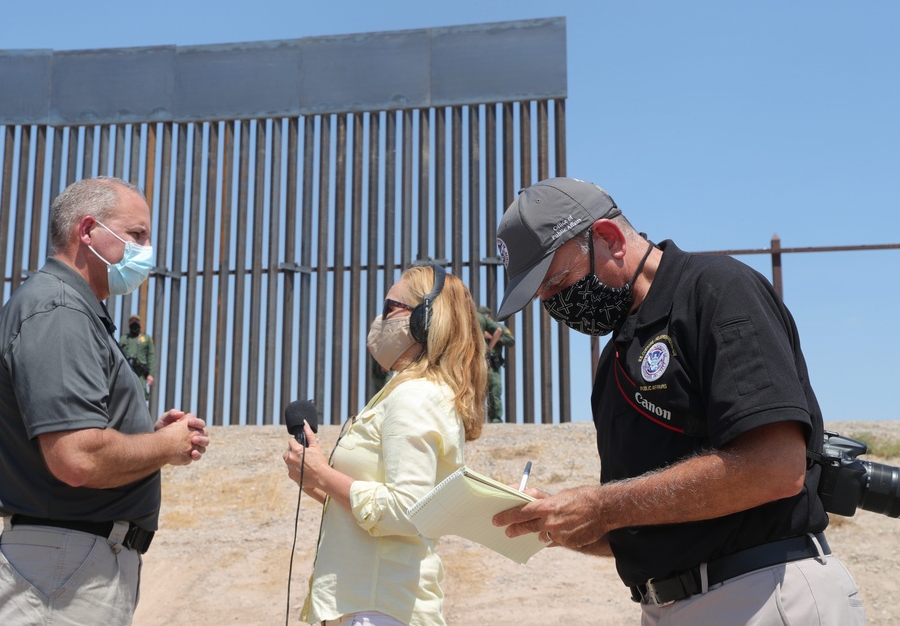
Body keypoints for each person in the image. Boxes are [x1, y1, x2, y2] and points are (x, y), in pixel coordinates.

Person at [490, 177, 865, 625]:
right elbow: (644, 518)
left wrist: (603, 505)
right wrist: (563, 522)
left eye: (556, 282)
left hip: (763, 593)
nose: (553, 304)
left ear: (608, 239)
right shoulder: (614, 363)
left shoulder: (717, 292)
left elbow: (777, 467)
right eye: (541, 298)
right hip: (669, 607)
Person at [0, 176, 210, 626]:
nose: (147, 249)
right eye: (137, 234)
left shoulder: (74, 309)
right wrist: (165, 448)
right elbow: (76, 458)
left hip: (69, 564)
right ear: (87, 231)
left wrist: (148, 439)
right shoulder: (60, 311)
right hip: (64, 568)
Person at [283, 265, 488, 626]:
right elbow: (380, 505)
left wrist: (324, 476)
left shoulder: (415, 397)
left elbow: (407, 511)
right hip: (369, 604)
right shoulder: (405, 392)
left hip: (378, 609)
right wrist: (316, 481)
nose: (380, 318)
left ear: (425, 320)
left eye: (391, 307)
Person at [477, 305, 514, 422]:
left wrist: (494, 337)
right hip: (478, 363)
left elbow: (510, 340)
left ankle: (496, 419)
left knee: (495, 390)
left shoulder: (497, 327)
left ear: (488, 316)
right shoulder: (476, 327)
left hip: (492, 364)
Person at [119, 313, 156, 396]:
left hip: (140, 373)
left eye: (136, 321)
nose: (134, 322)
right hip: (126, 372)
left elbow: (151, 356)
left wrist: (151, 374)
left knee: (140, 395)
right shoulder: (124, 338)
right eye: (132, 321)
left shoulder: (146, 338)